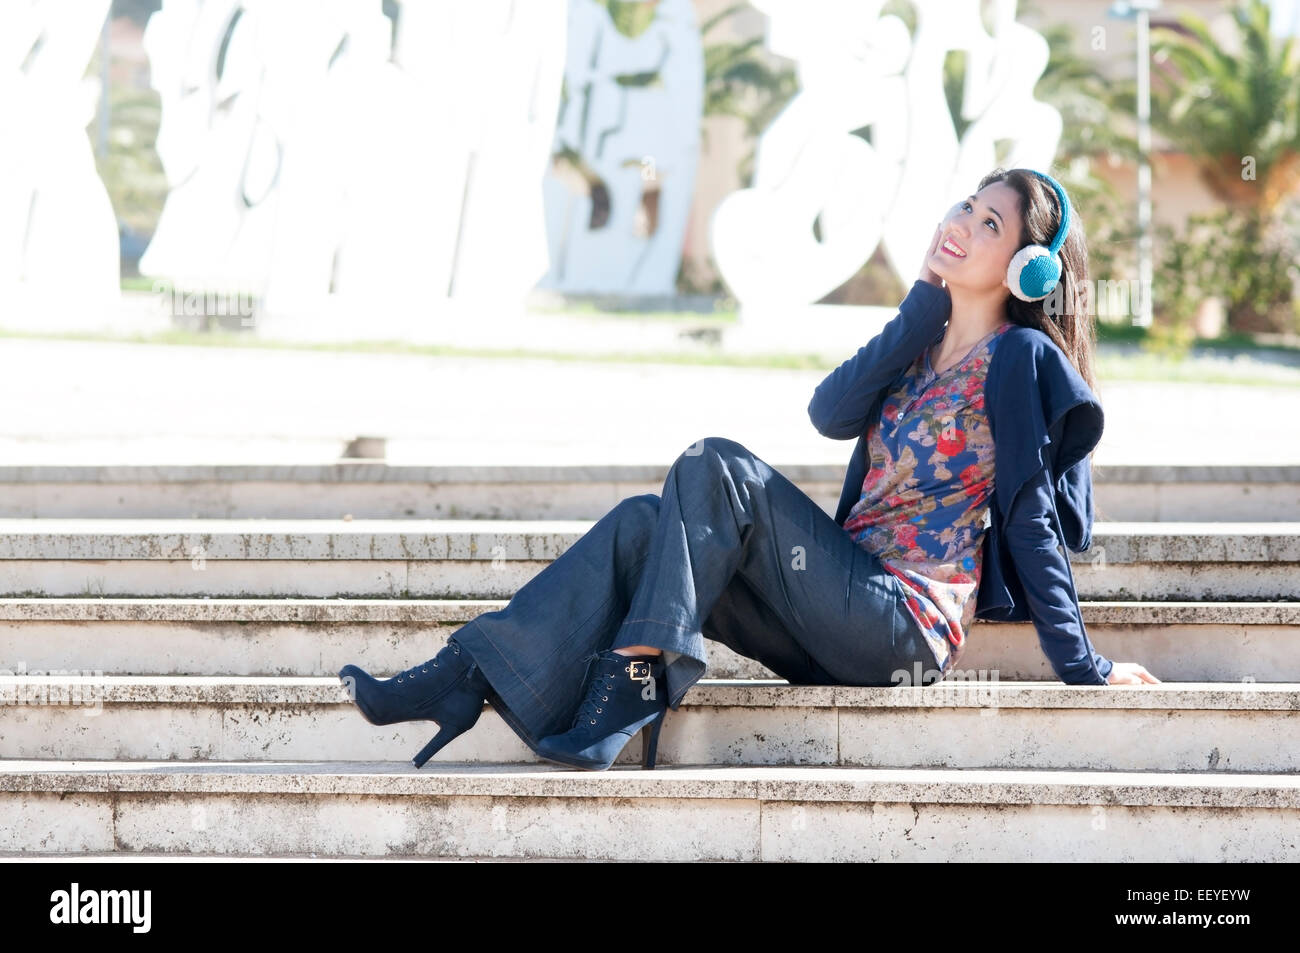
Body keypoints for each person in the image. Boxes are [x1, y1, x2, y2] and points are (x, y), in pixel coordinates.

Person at [338, 166, 1161, 773]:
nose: (963, 223)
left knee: (715, 465)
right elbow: (830, 413)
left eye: (991, 225)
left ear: (1031, 268)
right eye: (966, 205)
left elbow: (1029, 516)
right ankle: (465, 674)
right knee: (640, 525)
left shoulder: (1015, 358)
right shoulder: (918, 344)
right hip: (834, 609)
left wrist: (1083, 666)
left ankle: (632, 680)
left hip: (900, 624)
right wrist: (921, 304)